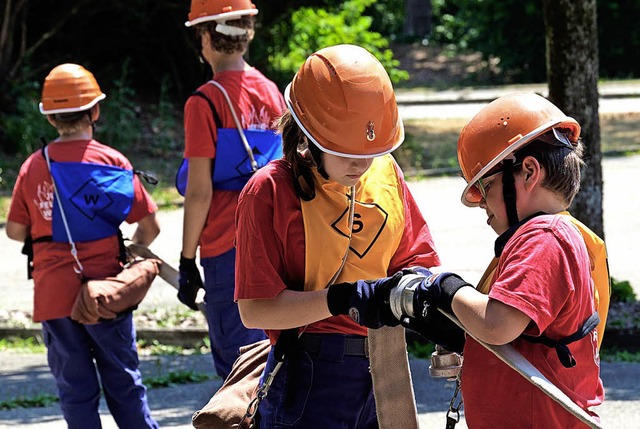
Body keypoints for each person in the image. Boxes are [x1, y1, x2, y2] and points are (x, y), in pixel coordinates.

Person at [354, 93, 606, 428]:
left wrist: (445, 286)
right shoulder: (550, 236)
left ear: (529, 172)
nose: (481, 205)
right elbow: (513, 333)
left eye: (486, 188)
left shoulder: (544, 236)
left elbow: (497, 324)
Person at [234, 43, 441, 428]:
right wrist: (340, 299)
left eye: (372, 151)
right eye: (345, 151)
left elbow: (418, 260)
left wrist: (436, 305)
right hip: (310, 368)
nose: (362, 163)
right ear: (308, 137)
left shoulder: (384, 172)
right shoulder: (268, 192)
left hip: (384, 361)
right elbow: (255, 309)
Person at [5, 63, 161, 428]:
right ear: (95, 110)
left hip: (53, 296)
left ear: (50, 118)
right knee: (124, 383)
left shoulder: (33, 166)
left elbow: (14, 231)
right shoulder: (113, 161)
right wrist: (129, 252)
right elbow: (150, 227)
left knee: (75, 393)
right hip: (107, 294)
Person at [176, 0, 285, 379]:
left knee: (239, 374)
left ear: (206, 36)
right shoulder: (273, 93)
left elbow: (199, 191)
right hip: (275, 240)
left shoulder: (203, 102)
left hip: (227, 246)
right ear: (246, 33)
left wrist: (187, 260)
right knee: (277, 362)